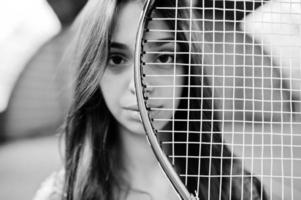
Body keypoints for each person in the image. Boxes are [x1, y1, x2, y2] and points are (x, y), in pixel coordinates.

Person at [33, 0, 268, 200]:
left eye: (164, 57)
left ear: (189, 69)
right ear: (93, 71)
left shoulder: (239, 188)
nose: (139, 85)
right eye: (116, 59)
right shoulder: (61, 193)